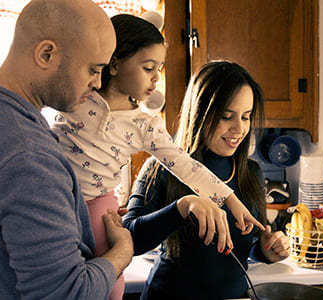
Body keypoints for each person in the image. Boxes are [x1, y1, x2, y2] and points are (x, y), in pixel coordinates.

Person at [51, 15, 266, 299]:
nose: (156, 77)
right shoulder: (79, 96)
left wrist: (230, 200)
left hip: (98, 205)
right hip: (56, 195)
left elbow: (188, 168)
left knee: (106, 282)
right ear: (113, 64)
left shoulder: (145, 125)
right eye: (149, 67)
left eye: (159, 69)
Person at [0, 0, 134, 299]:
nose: (98, 83)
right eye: (93, 69)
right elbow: (67, 293)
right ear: (46, 54)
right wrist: (122, 251)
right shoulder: (30, 158)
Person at [123, 61, 291, 299]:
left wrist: (266, 250)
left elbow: (246, 247)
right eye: (226, 116)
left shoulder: (251, 172)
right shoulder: (161, 168)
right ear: (200, 113)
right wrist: (183, 207)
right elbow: (129, 238)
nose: (239, 128)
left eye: (246, 116)